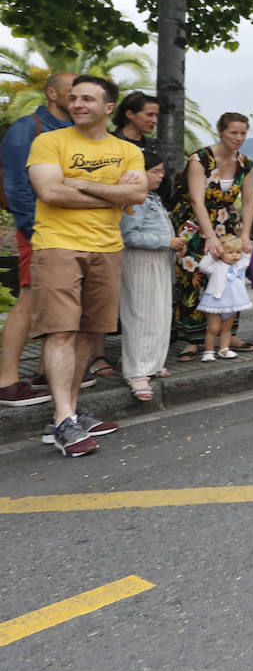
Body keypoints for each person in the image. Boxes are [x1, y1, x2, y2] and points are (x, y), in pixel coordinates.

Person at [28, 75, 146, 455]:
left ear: (108, 108)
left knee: (86, 334)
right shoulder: (49, 141)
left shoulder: (127, 150)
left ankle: (71, 411)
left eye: (88, 99)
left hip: (108, 248)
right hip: (58, 245)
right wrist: (113, 194)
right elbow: (49, 191)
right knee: (61, 331)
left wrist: (78, 184)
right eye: (74, 98)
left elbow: (139, 193)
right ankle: (63, 420)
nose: (78, 104)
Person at [0, 71, 73, 407]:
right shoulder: (28, 127)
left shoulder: (75, 132)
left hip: (71, 229)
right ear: (51, 94)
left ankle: (46, 372)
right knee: (29, 300)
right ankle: (7, 381)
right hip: (39, 228)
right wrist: (34, 229)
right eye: (72, 92)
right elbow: (16, 185)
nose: (78, 99)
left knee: (55, 302)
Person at [170, 112, 253, 360]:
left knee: (231, 277)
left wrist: (245, 235)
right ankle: (193, 340)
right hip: (193, 225)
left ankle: (228, 336)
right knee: (192, 278)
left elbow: (249, 201)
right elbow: (197, 201)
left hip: (226, 223)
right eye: (233, 132)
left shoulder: (246, 164)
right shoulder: (200, 159)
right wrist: (209, 237)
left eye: (242, 133)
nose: (238, 138)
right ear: (221, 131)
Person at [119, 155, 183, 399]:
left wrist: (174, 244)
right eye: (155, 171)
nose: (161, 175)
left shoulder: (153, 198)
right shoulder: (133, 200)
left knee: (159, 312)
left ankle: (153, 362)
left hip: (159, 259)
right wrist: (166, 241)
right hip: (140, 260)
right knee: (140, 313)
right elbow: (130, 235)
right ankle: (136, 372)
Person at [195, 233, 252, 361]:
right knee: (213, 329)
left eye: (238, 252)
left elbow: (246, 256)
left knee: (227, 329)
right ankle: (209, 351)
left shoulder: (239, 266)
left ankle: (224, 349)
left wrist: (246, 246)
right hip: (216, 302)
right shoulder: (215, 265)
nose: (235, 255)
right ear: (221, 253)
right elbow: (203, 266)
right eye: (230, 252)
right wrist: (213, 254)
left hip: (233, 303)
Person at [112, 91, 168, 202]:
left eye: (156, 115)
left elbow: (165, 183)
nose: (154, 120)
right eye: (149, 114)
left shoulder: (155, 145)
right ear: (130, 114)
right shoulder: (109, 142)